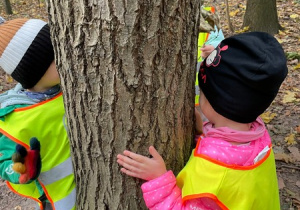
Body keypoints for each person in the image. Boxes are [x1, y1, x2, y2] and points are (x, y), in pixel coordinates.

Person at [117, 32, 288, 209]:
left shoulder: (215, 171)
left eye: (203, 93)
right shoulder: (259, 137)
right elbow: (231, 150)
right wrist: (204, 132)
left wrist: (158, 179)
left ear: (218, 104)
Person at [0, 18, 76, 210]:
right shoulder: (12, 121)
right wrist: (21, 169)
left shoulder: (70, 86)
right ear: (34, 71)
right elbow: (4, 162)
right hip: (57, 201)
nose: (63, 57)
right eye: (53, 56)